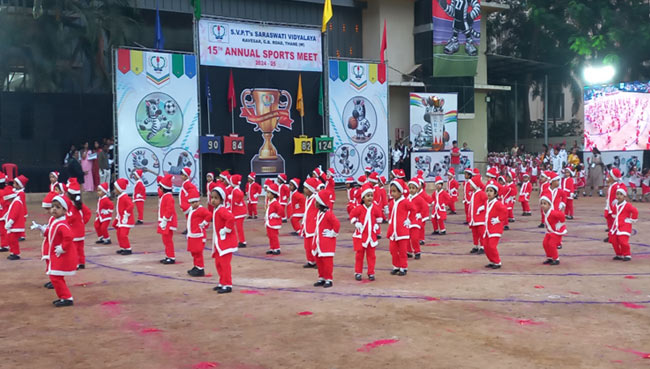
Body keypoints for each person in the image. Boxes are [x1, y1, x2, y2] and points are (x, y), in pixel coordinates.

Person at [46, 196, 78, 307]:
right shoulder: (56, 221)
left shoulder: (62, 224)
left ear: (64, 210)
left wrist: (63, 248)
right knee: (55, 277)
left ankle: (67, 297)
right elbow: (51, 233)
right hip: (58, 255)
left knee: (55, 277)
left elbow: (69, 236)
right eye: (52, 207)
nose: (54, 209)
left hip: (62, 255)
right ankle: (64, 297)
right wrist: (42, 229)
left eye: (58, 207)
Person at [350, 184, 382, 281]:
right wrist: (356, 223)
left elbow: (379, 217)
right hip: (361, 236)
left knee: (371, 256)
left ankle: (371, 272)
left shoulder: (375, 208)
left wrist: (377, 225)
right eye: (368, 196)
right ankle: (358, 272)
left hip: (371, 236)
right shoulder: (359, 208)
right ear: (363, 198)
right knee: (359, 255)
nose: (370, 198)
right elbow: (352, 215)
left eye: (371, 195)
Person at [210, 186, 238, 294]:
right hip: (219, 242)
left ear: (221, 199)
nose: (213, 200)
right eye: (212, 197)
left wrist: (226, 229)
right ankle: (222, 282)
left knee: (225, 264)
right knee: (218, 263)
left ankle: (227, 284)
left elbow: (231, 218)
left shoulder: (222, 210)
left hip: (225, 243)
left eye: (216, 198)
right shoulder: (216, 210)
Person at [312, 190, 339, 288]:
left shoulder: (328, 214)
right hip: (319, 242)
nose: (315, 203)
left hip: (326, 243)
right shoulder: (319, 213)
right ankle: (321, 277)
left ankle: (329, 279)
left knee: (327, 262)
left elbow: (336, 224)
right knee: (319, 261)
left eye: (316, 201)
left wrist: (333, 233)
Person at [387, 179, 412, 276]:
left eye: (394, 191)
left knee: (402, 251)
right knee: (392, 249)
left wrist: (409, 220)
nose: (392, 194)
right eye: (391, 191)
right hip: (393, 231)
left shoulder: (405, 202)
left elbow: (413, 210)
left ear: (400, 192)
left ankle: (403, 267)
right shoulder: (392, 202)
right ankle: (396, 266)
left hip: (402, 231)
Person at [186, 187, 211, 277]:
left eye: (196, 201)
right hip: (193, 235)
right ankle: (196, 266)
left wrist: (204, 223)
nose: (194, 204)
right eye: (192, 202)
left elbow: (208, 215)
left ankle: (200, 268)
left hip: (199, 235)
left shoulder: (201, 209)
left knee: (198, 252)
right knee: (194, 252)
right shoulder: (192, 210)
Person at [66, 179, 91, 269]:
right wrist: (83, 221)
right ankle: (82, 262)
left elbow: (70, 218)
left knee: (74, 249)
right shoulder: (79, 204)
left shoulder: (73, 207)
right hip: (80, 230)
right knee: (80, 248)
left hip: (75, 232)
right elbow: (88, 213)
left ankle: (76, 264)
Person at [609, 188, 638, 261]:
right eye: (617, 194)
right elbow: (614, 213)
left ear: (624, 196)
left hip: (625, 226)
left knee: (623, 241)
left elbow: (635, 211)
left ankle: (627, 254)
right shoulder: (616, 205)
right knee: (613, 240)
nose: (618, 196)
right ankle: (619, 254)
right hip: (616, 226)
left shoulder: (627, 205)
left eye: (621, 194)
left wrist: (632, 219)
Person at [483, 182, 507, 269]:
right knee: (485, 246)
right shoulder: (487, 202)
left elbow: (505, 211)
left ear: (496, 193)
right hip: (487, 228)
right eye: (487, 191)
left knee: (492, 246)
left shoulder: (497, 203)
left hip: (495, 228)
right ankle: (492, 260)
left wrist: (498, 219)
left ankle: (497, 262)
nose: (488, 193)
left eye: (491, 191)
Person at [540, 195, 566, 265]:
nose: (542, 205)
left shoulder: (553, 213)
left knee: (552, 244)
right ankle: (550, 257)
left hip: (556, 232)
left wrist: (560, 224)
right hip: (550, 232)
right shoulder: (544, 213)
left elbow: (562, 215)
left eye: (545, 203)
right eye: (541, 203)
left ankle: (556, 259)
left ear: (549, 205)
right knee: (545, 243)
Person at [300, 178, 321, 268]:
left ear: (311, 189)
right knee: (307, 246)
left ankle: (318, 261)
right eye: (304, 188)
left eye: (306, 188)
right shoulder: (308, 198)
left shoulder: (316, 198)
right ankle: (311, 261)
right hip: (307, 225)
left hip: (314, 225)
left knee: (315, 245)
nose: (304, 190)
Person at [3, 182, 25, 260]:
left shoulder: (17, 202)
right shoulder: (15, 202)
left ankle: (15, 253)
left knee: (13, 240)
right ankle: (13, 252)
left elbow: (14, 214)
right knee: (11, 240)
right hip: (13, 226)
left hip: (15, 225)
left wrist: (10, 222)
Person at [157, 174, 177, 263]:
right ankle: (168, 255)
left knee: (168, 240)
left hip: (168, 222)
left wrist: (165, 220)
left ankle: (171, 257)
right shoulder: (165, 196)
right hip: (165, 221)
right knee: (165, 240)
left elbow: (169, 210)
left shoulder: (168, 197)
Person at [407, 178, 427, 259]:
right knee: (407, 237)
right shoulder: (407, 198)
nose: (411, 190)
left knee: (415, 238)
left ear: (417, 188)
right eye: (410, 188)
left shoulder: (419, 199)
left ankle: (417, 251)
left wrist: (421, 215)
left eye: (413, 188)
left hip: (415, 221)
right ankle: (408, 251)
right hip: (408, 221)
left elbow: (425, 207)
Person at [113, 178, 134, 255]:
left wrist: (126, 214)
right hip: (121, 219)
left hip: (126, 220)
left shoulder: (125, 197)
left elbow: (131, 205)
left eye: (116, 188)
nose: (114, 190)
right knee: (119, 233)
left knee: (123, 234)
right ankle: (123, 247)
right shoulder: (120, 197)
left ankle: (128, 248)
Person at [603, 168, 625, 242]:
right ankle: (610, 236)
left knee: (613, 223)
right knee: (609, 221)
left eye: (609, 176)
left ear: (613, 178)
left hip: (613, 208)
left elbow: (622, 190)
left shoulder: (616, 185)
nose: (608, 177)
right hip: (609, 207)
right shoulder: (612, 185)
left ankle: (614, 236)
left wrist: (617, 199)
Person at [468, 176, 487, 255]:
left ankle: (483, 247)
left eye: (471, 185)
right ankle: (475, 245)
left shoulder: (482, 193)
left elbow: (487, 202)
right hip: (474, 218)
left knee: (481, 233)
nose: (470, 186)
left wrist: (481, 208)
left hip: (480, 219)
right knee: (474, 233)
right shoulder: (474, 193)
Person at [229, 174, 247, 248]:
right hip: (238, 212)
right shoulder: (236, 189)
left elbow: (240, 195)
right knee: (238, 227)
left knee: (239, 228)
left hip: (239, 212)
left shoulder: (235, 190)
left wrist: (236, 201)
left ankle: (242, 241)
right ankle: (240, 240)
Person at [265, 182, 282, 255]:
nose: (267, 194)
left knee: (274, 236)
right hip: (269, 222)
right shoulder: (270, 201)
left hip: (274, 222)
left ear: (273, 194)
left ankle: (277, 248)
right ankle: (272, 248)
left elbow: (280, 210)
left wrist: (276, 215)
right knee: (270, 235)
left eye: (269, 193)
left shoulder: (275, 203)